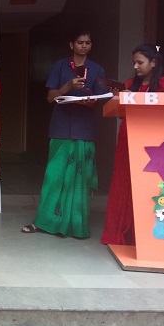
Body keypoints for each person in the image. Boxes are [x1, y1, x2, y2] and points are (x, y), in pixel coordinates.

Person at [21, 30, 107, 239]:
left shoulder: (97, 69)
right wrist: (67, 86)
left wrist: (89, 101)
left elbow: (99, 100)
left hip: (84, 128)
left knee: (80, 179)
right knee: (55, 176)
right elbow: (50, 97)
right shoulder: (60, 66)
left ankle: (77, 225)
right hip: (61, 127)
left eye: (88, 42)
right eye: (80, 42)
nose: (84, 46)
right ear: (71, 44)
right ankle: (45, 222)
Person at [101, 44, 164, 246]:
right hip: (128, 137)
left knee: (149, 185)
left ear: (153, 63)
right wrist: (120, 98)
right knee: (124, 181)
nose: (135, 67)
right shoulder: (129, 83)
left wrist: (136, 99)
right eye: (134, 63)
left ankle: (145, 237)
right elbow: (121, 114)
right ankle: (119, 233)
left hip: (156, 142)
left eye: (140, 62)